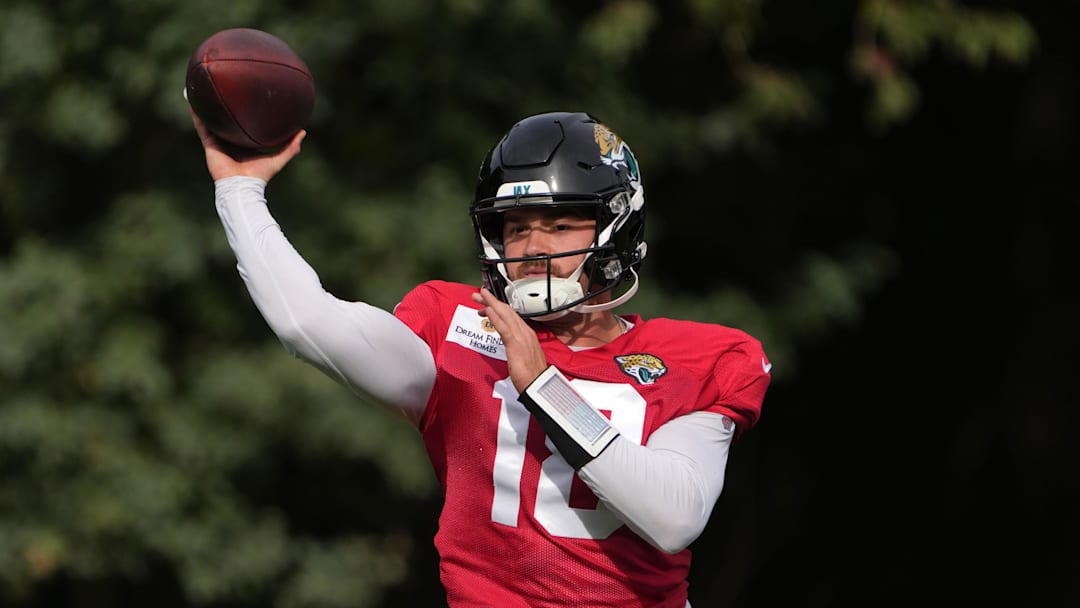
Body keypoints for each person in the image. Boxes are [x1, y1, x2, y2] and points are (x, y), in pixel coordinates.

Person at [192, 109, 772, 608]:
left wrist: (544, 385)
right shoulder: (458, 327)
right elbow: (307, 323)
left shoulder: (699, 357)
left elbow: (673, 516)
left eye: (560, 224)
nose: (533, 248)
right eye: (516, 228)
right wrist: (240, 192)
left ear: (615, 229)